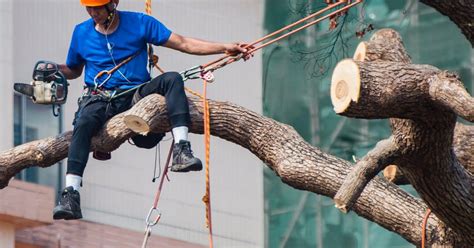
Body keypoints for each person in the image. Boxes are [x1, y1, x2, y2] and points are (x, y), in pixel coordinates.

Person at [52, 0, 249, 220]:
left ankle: (181, 150)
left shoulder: (139, 23)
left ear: (113, 3)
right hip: (101, 98)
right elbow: (74, 69)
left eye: (98, 7)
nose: (93, 12)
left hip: (136, 94)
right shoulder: (81, 33)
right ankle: (71, 194)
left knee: (172, 79)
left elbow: (183, 43)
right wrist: (54, 69)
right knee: (84, 122)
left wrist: (224, 47)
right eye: (89, 7)